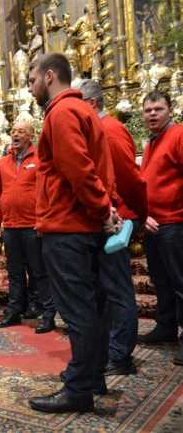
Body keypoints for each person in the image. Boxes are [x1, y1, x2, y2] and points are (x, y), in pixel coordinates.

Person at [26, 53, 117, 414]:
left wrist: (101, 208)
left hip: (67, 227)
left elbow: (78, 169)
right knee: (92, 307)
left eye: (32, 80)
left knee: (78, 312)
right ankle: (92, 377)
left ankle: (79, 389)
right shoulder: (84, 111)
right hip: (83, 225)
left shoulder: (62, 112)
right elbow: (97, 168)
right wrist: (105, 207)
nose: (30, 88)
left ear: (50, 76)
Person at [79, 79, 149, 375]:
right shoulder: (94, 129)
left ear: (91, 104)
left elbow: (129, 178)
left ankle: (120, 354)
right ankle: (109, 347)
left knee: (117, 289)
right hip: (99, 219)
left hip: (116, 218)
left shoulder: (109, 129)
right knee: (102, 289)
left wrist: (139, 213)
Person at [0, 120, 57, 334]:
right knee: (15, 272)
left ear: (30, 136)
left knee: (39, 272)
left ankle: (48, 314)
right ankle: (14, 310)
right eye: (13, 131)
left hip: (33, 226)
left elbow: (48, 191)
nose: (15, 134)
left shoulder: (40, 159)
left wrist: (44, 220)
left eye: (21, 131)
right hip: (10, 226)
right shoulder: (2, 163)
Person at [138, 91, 183, 366]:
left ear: (170, 110)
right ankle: (166, 326)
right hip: (153, 224)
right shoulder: (152, 142)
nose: (152, 114)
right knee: (161, 281)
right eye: (148, 110)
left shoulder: (178, 135)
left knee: (180, 282)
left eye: (158, 109)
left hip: (174, 222)